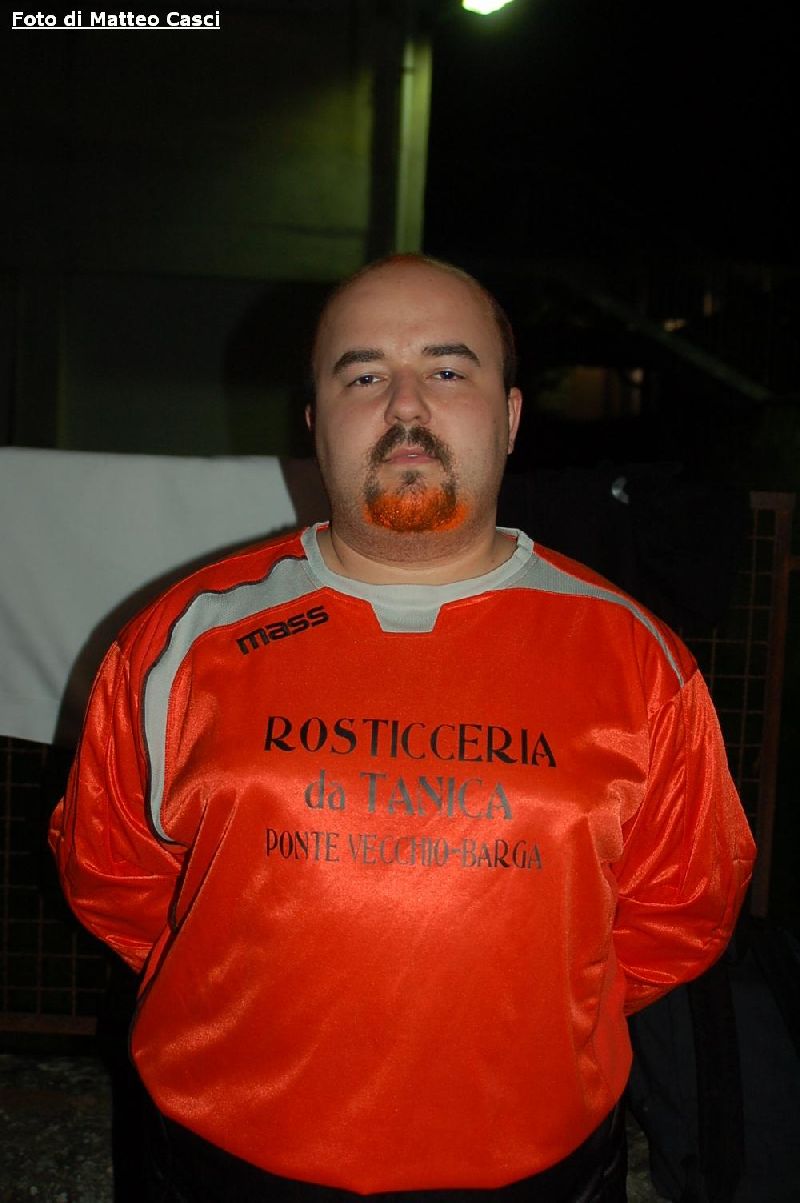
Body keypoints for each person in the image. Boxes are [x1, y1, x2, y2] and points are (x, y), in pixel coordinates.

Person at [50, 254, 756, 1202]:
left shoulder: (639, 660)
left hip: (533, 1166)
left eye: (448, 369)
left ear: (511, 416)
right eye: (364, 374)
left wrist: (530, 1027)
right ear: (315, 420)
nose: (406, 405)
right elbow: (115, 875)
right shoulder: (180, 641)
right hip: (217, 1159)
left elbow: (680, 911)